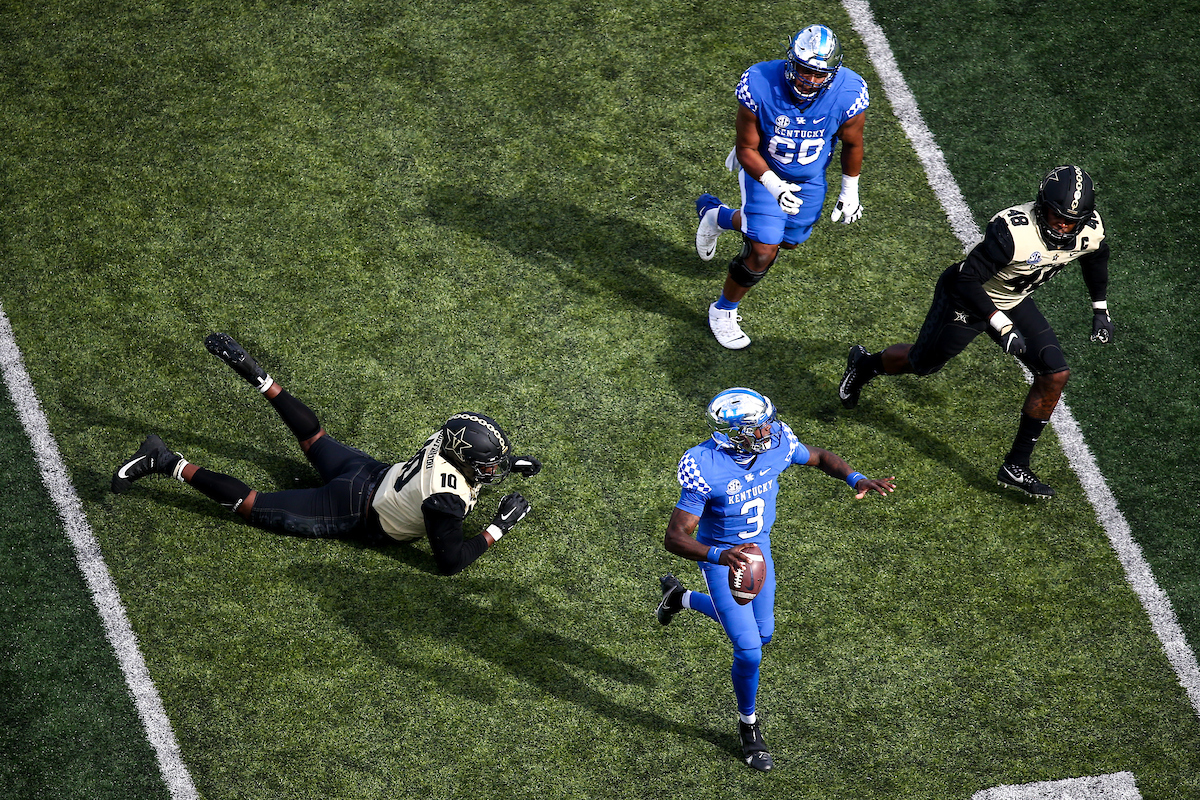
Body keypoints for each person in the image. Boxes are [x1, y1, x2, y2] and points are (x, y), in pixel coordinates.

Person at [111, 333, 542, 575]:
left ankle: (261, 378)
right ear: (463, 459)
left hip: (367, 472)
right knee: (252, 506)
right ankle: (164, 460)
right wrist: (499, 527)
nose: (491, 471)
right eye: (486, 465)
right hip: (353, 510)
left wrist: (510, 462)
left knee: (314, 438)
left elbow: (467, 463)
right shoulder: (444, 498)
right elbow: (449, 561)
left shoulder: (442, 438)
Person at [837, 165, 1114, 499]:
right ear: (1042, 207)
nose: (1064, 226)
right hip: (967, 298)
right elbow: (965, 280)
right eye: (1057, 217)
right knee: (922, 363)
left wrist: (1100, 309)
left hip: (1013, 299)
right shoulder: (1013, 231)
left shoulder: (1089, 230)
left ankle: (1016, 465)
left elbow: (1096, 257)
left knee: (1055, 373)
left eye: (1072, 221)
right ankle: (866, 364)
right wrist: (1001, 324)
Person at [654, 387, 895, 771]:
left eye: (767, 421)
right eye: (758, 426)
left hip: (756, 551)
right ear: (732, 433)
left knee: (763, 633)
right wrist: (720, 555)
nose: (769, 430)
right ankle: (749, 727)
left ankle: (679, 599)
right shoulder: (705, 463)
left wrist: (855, 478)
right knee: (750, 648)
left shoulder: (777, 442)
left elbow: (819, 456)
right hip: (721, 557)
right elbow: (675, 537)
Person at [696, 24, 870, 349]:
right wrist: (773, 185)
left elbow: (852, 144)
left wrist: (850, 189)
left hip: (809, 177)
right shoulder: (760, 83)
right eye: (805, 70)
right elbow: (747, 149)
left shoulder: (849, 92)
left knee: (788, 244)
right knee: (762, 251)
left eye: (820, 74)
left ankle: (716, 216)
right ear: (791, 60)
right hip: (764, 169)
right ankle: (723, 310)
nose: (810, 80)